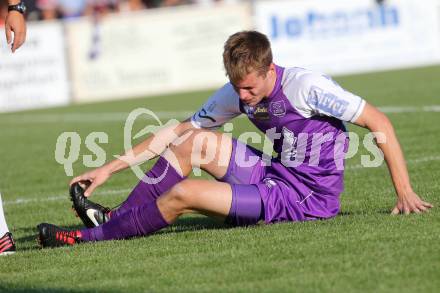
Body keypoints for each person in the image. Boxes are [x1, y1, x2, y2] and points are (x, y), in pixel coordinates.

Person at [37, 30, 433, 248]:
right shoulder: (238, 90)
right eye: (236, 88)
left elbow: (379, 122)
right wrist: (109, 167)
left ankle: (88, 236)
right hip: (274, 174)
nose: (241, 98)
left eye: (248, 89)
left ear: (268, 69)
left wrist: (404, 191)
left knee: (184, 194)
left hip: (305, 200)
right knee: (191, 141)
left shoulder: (307, 87)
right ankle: (116, 217)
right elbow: (179, 130)